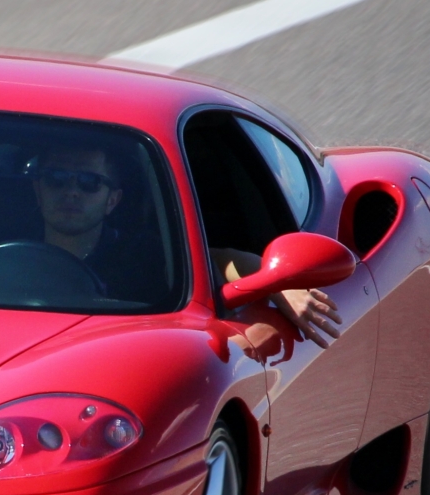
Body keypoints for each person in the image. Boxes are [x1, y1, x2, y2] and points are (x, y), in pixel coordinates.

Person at [29, 144, 341, 347]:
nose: (71, 191)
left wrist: (279, 283)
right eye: (56, 178)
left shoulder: (146, 255)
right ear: (37, 189)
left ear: (113, 200)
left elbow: (221, 261)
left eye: (88, 182)